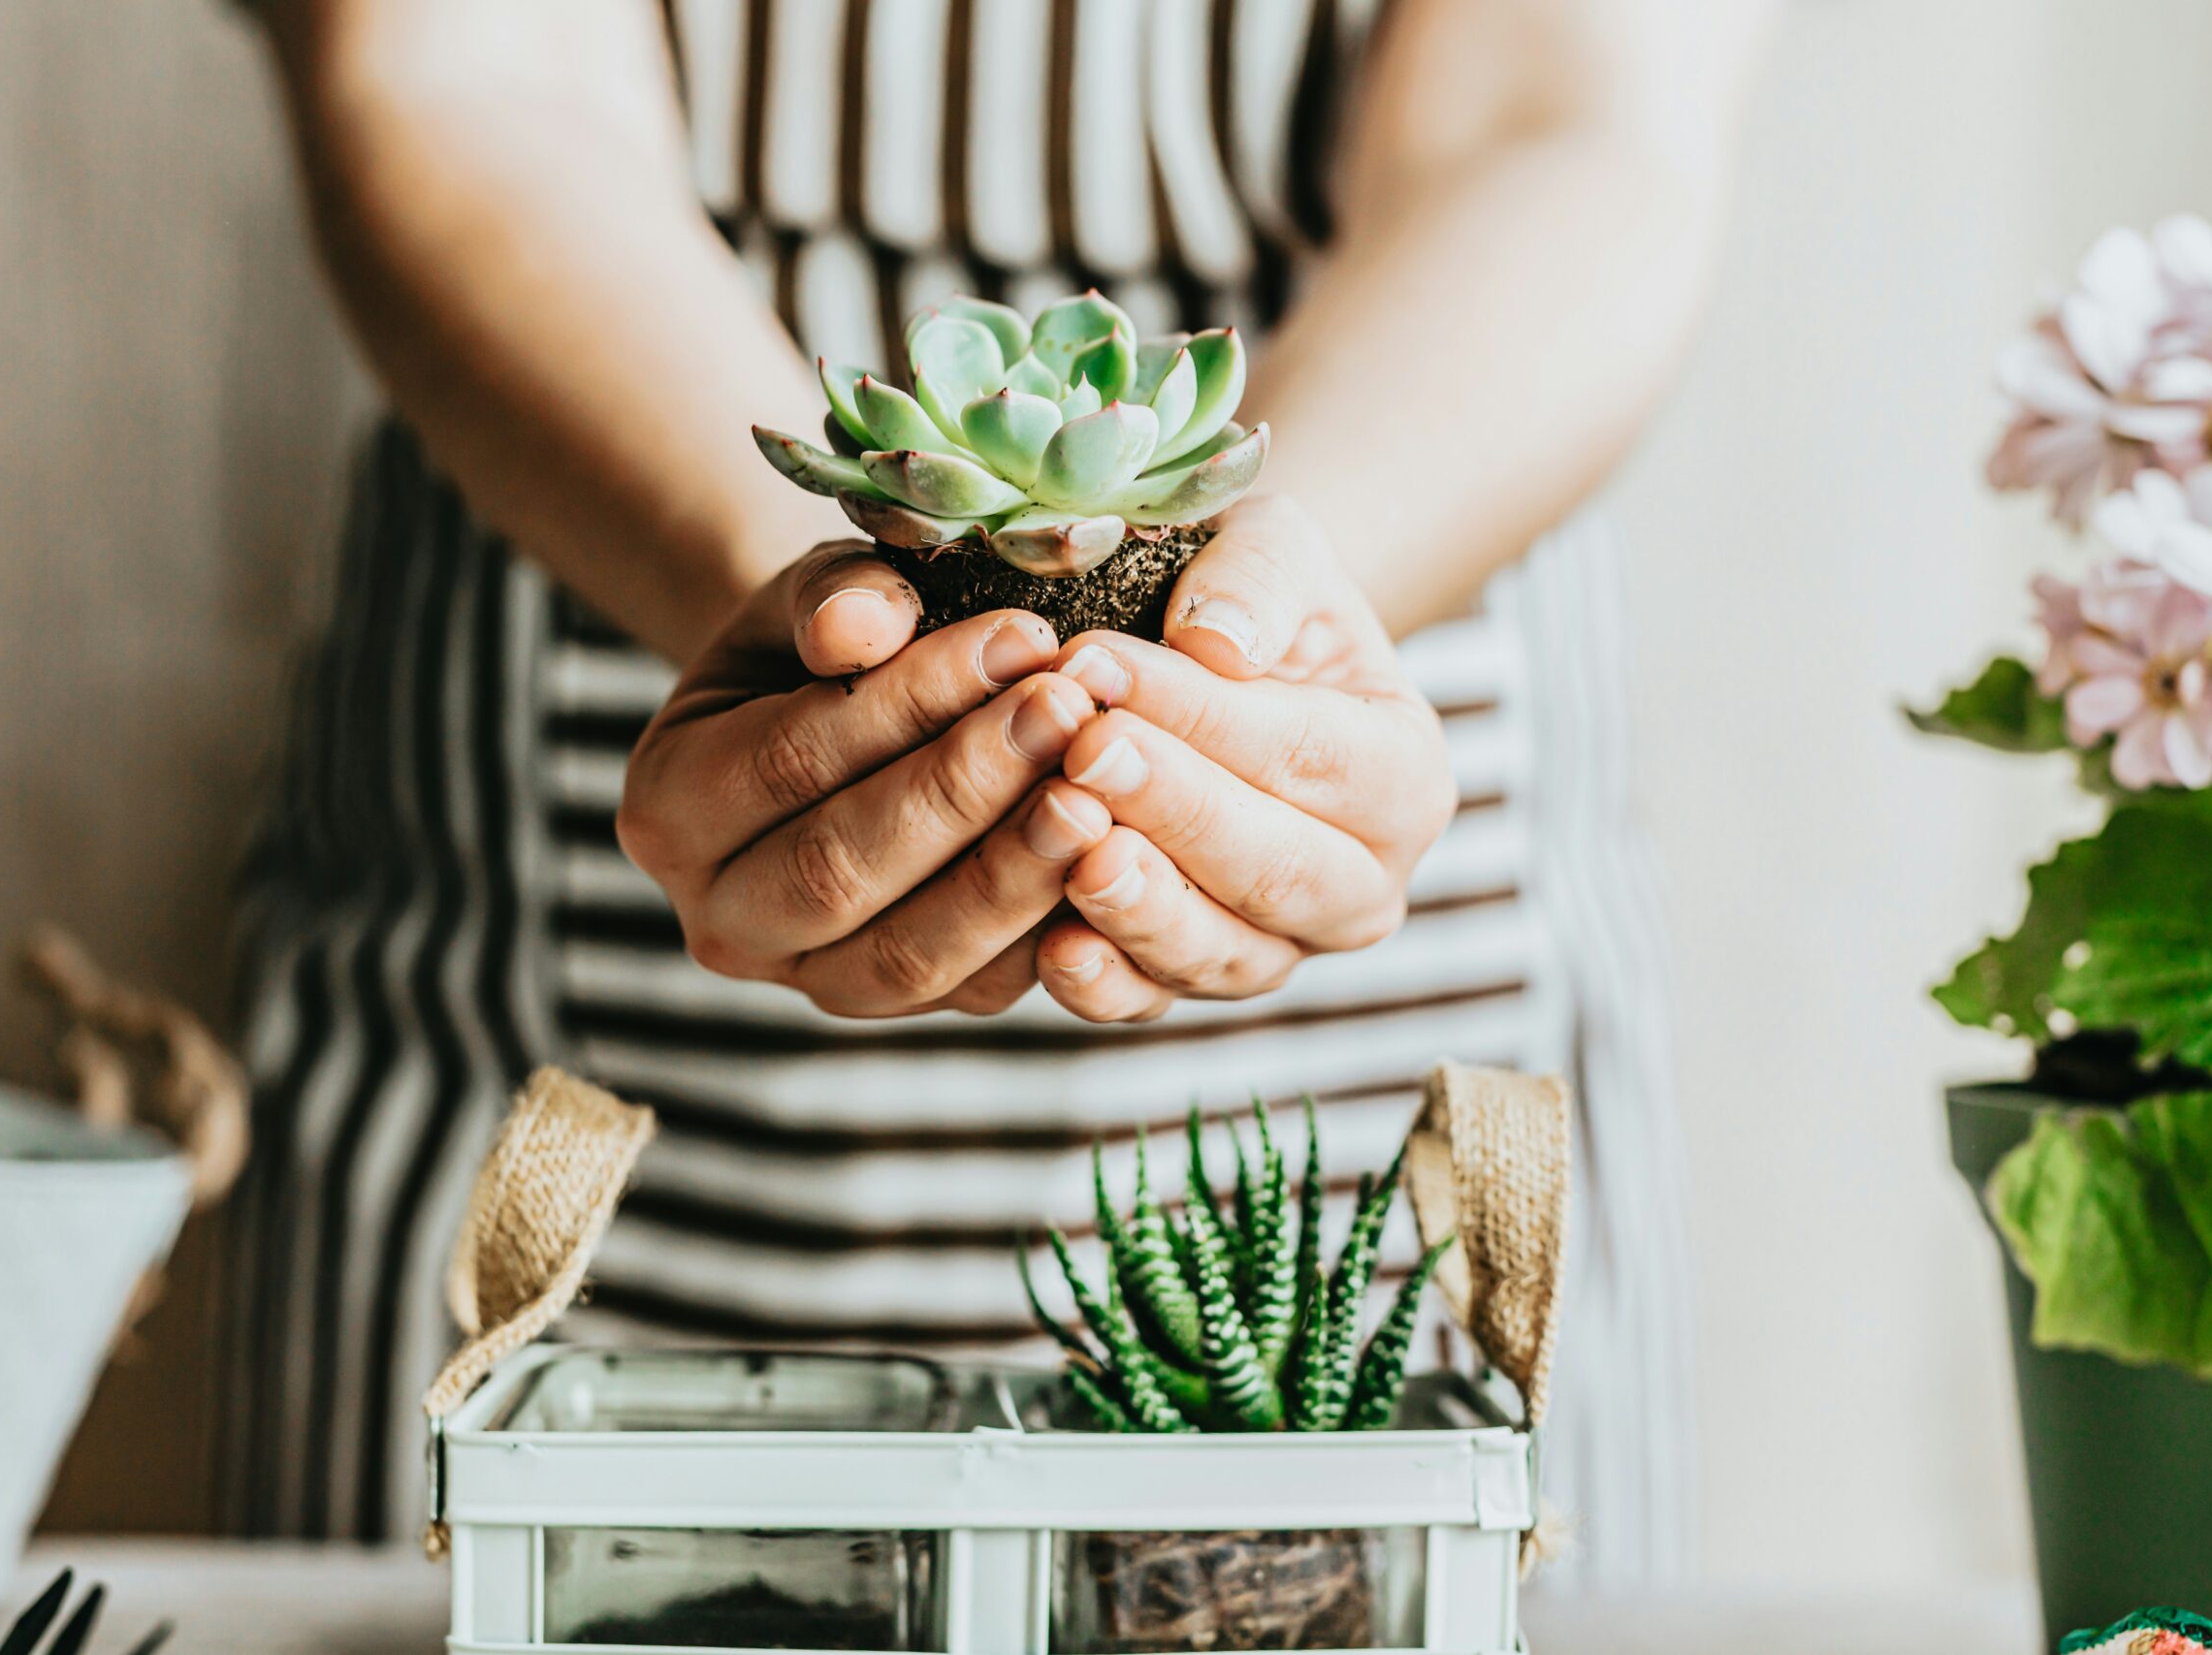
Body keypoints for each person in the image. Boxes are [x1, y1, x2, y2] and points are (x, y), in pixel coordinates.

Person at [222, 0, 1765, 1584]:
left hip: (1374, 795)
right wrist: (798, 590)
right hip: (584, 894)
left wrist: (1267, 627)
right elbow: (462, 70)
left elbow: (1562, 118)